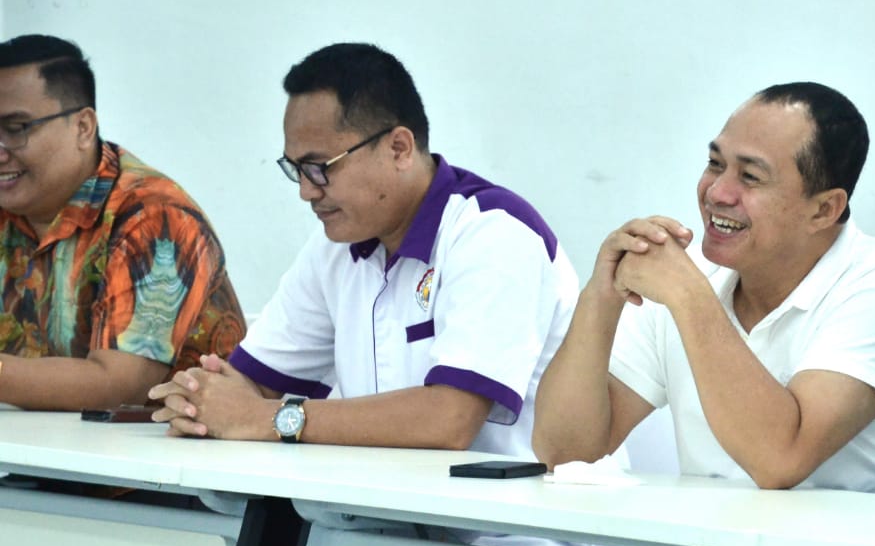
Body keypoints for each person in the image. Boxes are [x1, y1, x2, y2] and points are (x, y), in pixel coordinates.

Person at [148, 41, 577, 464]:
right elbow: (249, 385)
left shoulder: (493, 233)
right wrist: (198, 400)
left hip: (498, 510)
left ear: (399, 148)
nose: (306, 191)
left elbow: (450, 420)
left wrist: (271, 419)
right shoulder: (335, 247)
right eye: (295, 170)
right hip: (369, 504)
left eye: (320, 168)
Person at [531, 81, 875, 492]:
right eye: (715, 164)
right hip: (722, 545)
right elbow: (567, 455)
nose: (717, 192)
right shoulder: (687, 276)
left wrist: (689, 297)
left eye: (751, 176)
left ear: (824, 210)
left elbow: (779, 460)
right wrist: (602, 296)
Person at [0, 34, 244, 410]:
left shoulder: (156, 218)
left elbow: (120, 386)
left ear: (83, 127)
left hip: (170, 443)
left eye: (16, 129)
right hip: (39, 442)